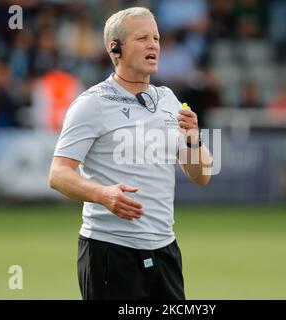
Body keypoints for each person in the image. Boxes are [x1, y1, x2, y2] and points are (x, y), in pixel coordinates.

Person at [48, 7, 213, 300]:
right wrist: (103, 195)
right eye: (142, 38)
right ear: (116, 48)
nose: (154, 45)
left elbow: (201, 177)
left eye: (156, 38)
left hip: (165, 249)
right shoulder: (91, 104)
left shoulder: (168, 99)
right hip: (110, 250)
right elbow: (58, 174)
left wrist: (193, 140)